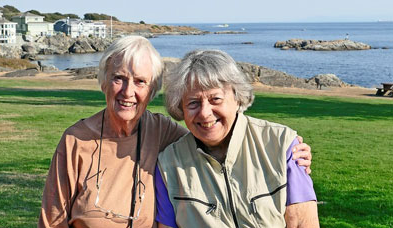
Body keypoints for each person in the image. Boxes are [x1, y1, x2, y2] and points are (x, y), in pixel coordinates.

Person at [39, 36, 313, 228]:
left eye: (140, 82)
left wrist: (289, 151)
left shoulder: (164, 133)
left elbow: (215, 133)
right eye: (118, 78)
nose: (128, 92)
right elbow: (52, 221)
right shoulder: (77, 141)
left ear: (152, 89)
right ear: (104, 82)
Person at [156, 50, 319, 228]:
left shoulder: (282, 145)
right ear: (181, 108)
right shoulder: (168, 165)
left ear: (237, 98)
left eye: (215, 99)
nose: (204, 113)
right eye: (193, 102)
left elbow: (302, 222)